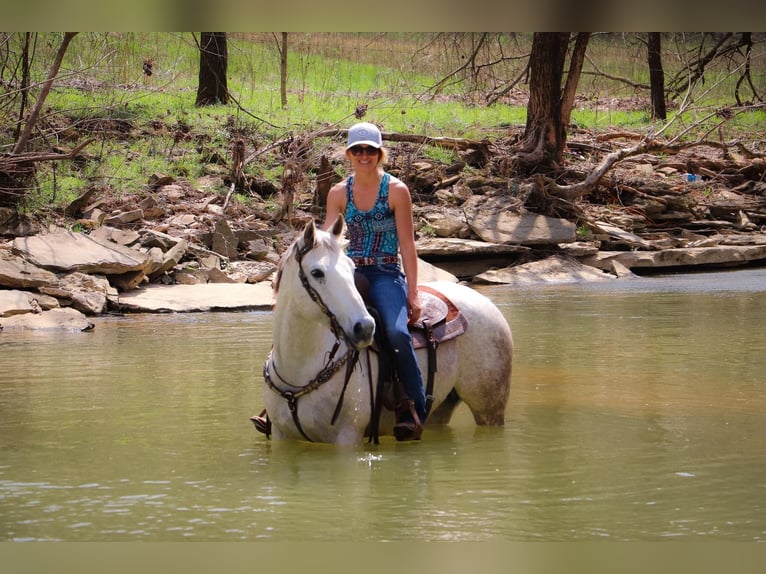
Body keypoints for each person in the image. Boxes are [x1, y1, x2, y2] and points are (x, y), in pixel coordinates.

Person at [322, 122, 427, 441]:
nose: (364, 155)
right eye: (358, 150)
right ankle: (280, 403)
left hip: (385, 272)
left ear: (380, 153)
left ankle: (414, 407)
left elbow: (408, 245)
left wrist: (413, 293)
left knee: (395, 332)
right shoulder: (339, 192)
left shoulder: (396, 191)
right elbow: (329, 239)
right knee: (310, 318)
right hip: (352, 272)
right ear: (349, 154)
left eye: (370, 150)